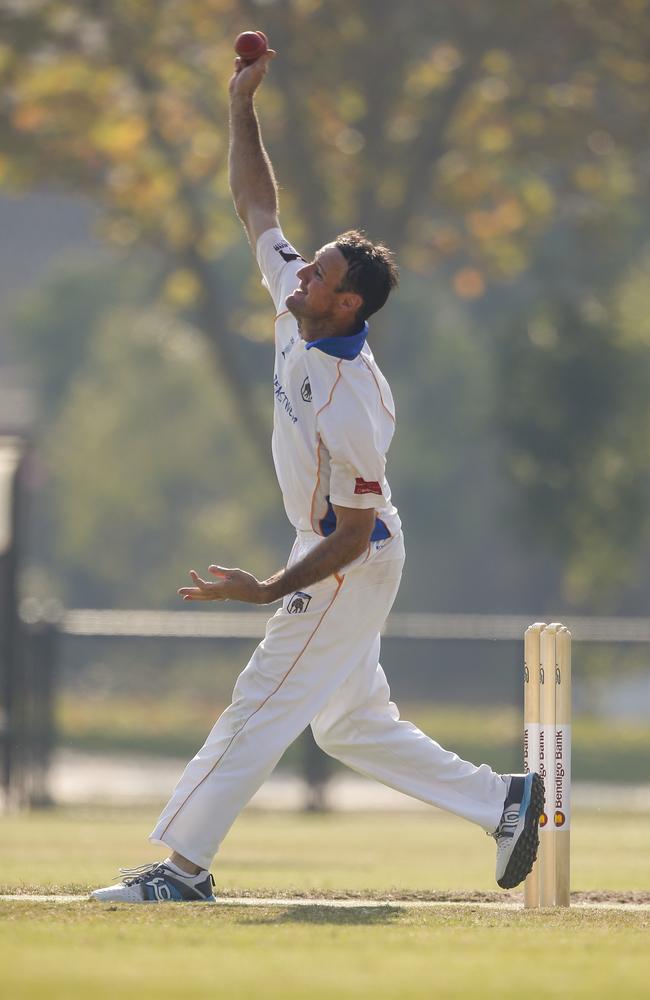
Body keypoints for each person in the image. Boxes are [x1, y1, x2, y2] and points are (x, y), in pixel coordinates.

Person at [92, 46, 543, 905]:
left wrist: (267, 590)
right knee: (348, 724)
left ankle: (181, 872)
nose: (299, 272)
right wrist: (240, 106)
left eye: (319, 274)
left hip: (350, 555)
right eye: (307, 265)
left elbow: (355, 531)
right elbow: (255, 201)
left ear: (348, 305)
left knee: (261, 700)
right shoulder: (299, 305)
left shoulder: (352, 400)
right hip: (338, 545)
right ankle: (505, 801)